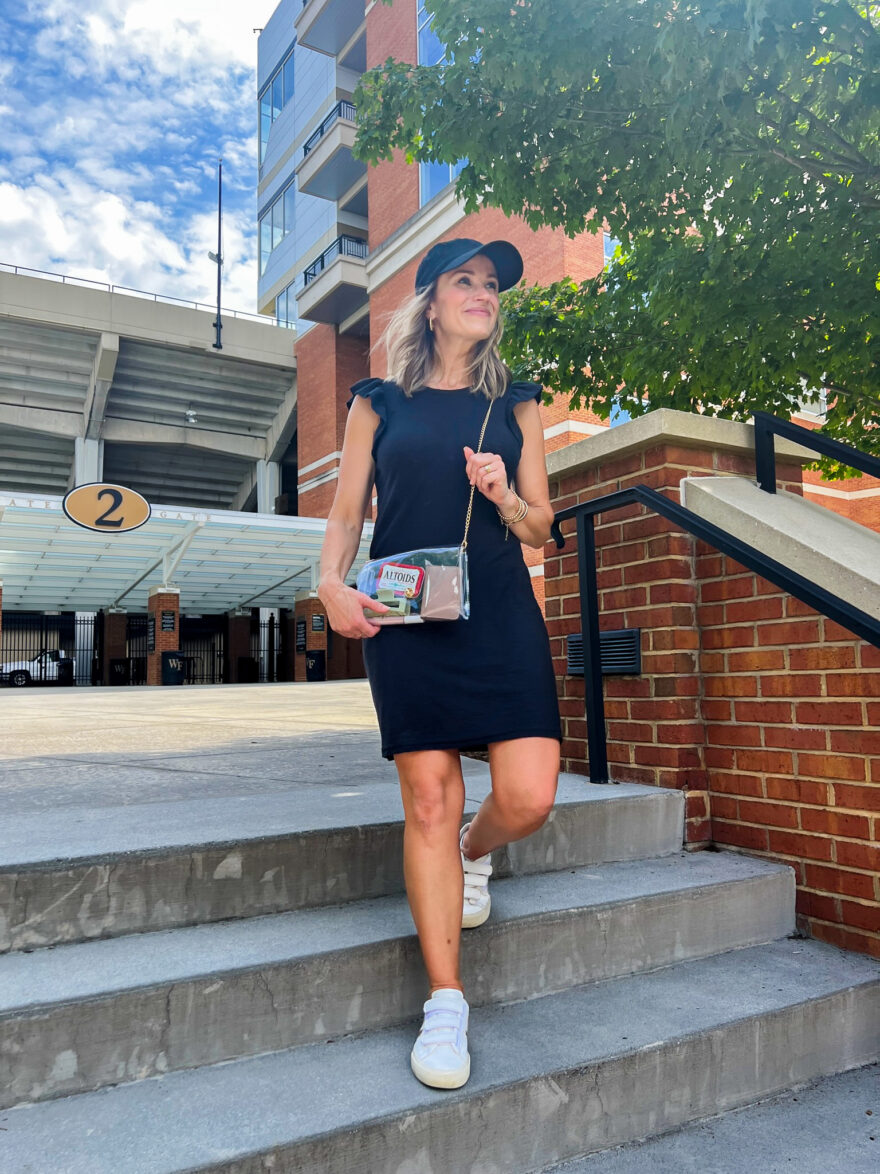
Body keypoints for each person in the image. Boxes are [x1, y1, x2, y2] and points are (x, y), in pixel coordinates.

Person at [317, 237, 562, 1090]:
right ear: (430, 301)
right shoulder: (377, 403)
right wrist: (329, 585)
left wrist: (503, 494)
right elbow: (348, 513)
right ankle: (446, 1003)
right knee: (427, 796)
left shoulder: (516, 405)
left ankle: (476, 849)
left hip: (498, 611)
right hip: (407, 612)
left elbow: (542, 528)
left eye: (492, 284)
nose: (483, 292)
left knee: (528, 796)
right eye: (466, 279)